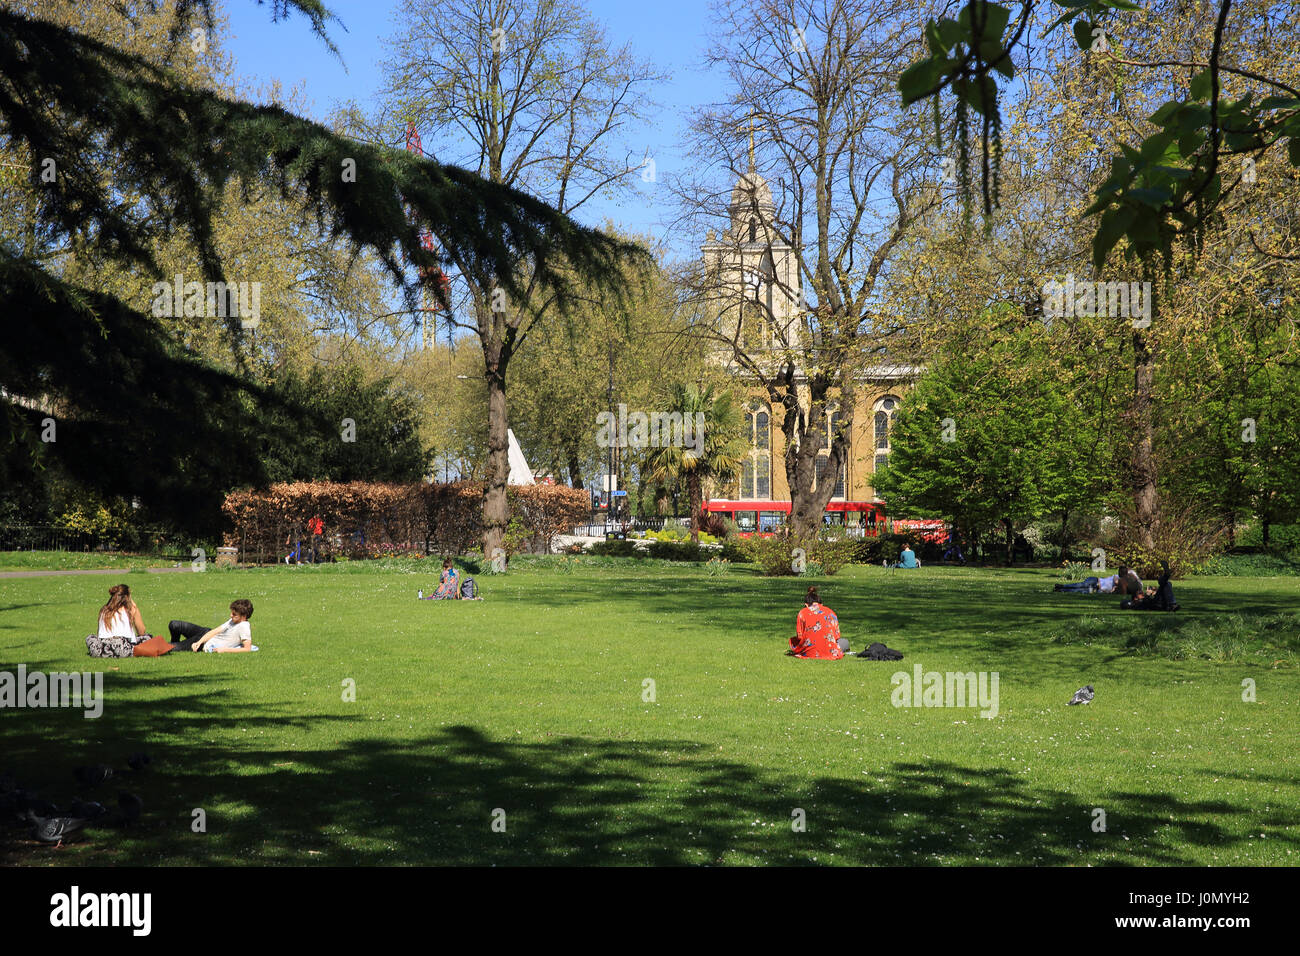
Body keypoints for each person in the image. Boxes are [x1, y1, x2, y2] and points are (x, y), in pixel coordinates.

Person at [168, 599, 258, 652]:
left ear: (244, 616)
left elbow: (247, 648)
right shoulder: (233, 620)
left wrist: (224, 650)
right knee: (174, 624)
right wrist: (199, 642)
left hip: (208, 644)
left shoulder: (244, 627)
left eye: (234, 614)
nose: (231, 615)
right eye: (232, 613)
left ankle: (175, 645)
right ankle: (177, 643)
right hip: (206, 634)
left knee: (170, 647)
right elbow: (215, 631)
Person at [788, 587, 846, 659]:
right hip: (830, 651)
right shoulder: (830, 611)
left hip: (809, 652)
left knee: (793, 641)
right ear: (821, 603)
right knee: (845, 642)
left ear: (806, 604)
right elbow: (837, 636)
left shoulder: (803, 612)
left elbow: (800, 636)